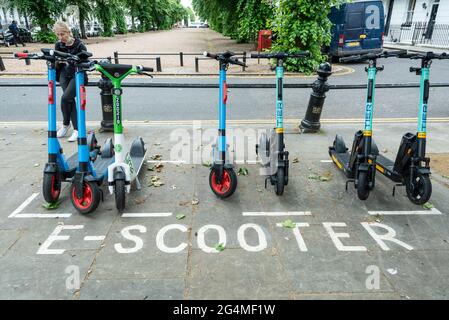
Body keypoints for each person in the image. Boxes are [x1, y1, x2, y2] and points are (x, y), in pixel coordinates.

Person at [53, 21, 88, 142]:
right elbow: (55, 61)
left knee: (65, 98)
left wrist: (74, 60)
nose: (60, 37)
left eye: (62, 34)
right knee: (69, 100)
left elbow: (85, 61)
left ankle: (67, 125)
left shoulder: (79, 44)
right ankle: (73, 129)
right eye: (58, 34)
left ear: (68, 32)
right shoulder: (58, 45)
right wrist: (57, 61)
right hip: (63, 74)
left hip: (77, 75)